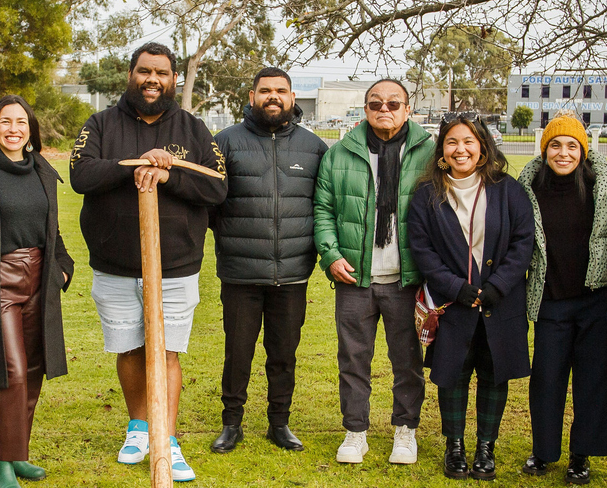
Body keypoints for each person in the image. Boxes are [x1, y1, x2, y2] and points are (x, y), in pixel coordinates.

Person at [69, 41, 227, 483]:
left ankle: (167, 437)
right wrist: (138, 164)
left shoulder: (194, 129)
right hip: (115, 263)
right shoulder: (100, 123)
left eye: (161, 72)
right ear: (131, 75)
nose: (152, 79)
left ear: (173, 78)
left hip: (176, 264)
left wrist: (171, 171)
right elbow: (81, 174)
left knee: (167, 351)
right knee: (129, 347)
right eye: (144, 71)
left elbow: (217, 188)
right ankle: (139, 427)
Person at [407, 115, 536, 481]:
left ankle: (485, 448)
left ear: (482, 148)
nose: (460, 149)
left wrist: (497, 286)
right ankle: (455, 447)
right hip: (453, 303)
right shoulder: (426, 195)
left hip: (500, 300)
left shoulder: (507, 189)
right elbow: (423, 250)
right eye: (451, 142)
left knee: (494, 374)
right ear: (442, 151)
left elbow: (522, 242)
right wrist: (456, 288)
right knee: (454, 374)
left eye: (468, 142)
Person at [207, 67, 328, 454]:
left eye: (280, 91)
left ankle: (279, 423)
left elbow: (325, 205)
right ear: (252, 95)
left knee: (283, 355)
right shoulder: (224, 142)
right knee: (237, 353)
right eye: (265, 91)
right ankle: (232, 423)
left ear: (292, 98)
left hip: (292, 274)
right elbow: (209, 202)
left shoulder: (313, 148)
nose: (272, 97)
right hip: (241, 273)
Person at [314, 78, 434, 466]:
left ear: (408, 109)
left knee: (407, 362)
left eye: (393, 104)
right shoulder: (341, 153)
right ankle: (355, 432)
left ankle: (406, 430)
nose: (385, 109)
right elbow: (323, 210)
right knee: (353, 359)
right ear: (365, 109)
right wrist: (331, 255)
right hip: (355, 278)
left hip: (406, 280)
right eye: (376, 103)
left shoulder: (429, 153)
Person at [0, 95, 76, 488]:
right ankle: (2, 466)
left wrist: (62, 269)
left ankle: (18, 453)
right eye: (6, 122)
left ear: (31, 129)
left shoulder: (43, 170)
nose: (14, 129)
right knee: (8, 372)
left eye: (21, 122)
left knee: (31, 370)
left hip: (41, 279)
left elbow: (53, 228)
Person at [514, 115, 607, 484]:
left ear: (583, 150)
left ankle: (582, 455)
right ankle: (543, 451)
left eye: (571, 146)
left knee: (594, 379)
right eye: (555, 146)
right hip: (550, 299)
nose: (563, 153)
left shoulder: (604, 185)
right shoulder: (527, 187)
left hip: (596, 298)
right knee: (546, 379)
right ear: (545, 150)